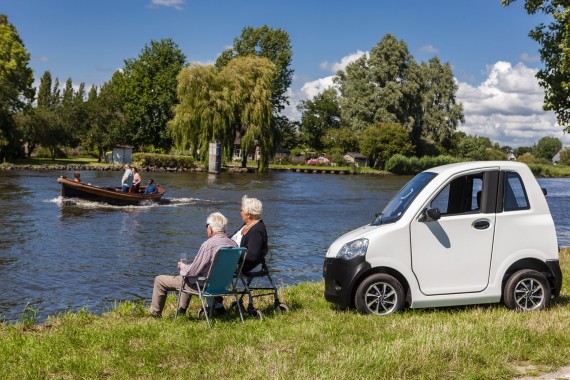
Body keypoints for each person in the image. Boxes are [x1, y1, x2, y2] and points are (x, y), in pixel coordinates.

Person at [149, 212, 237, 318]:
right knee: (187, 275)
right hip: (222, 285)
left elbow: (192, 271)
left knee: (160, 280)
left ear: (210, 228)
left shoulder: (208, 245)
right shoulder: (233, 244)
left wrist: (182, 266)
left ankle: (155, 314)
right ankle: (181, 311)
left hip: (203, 285)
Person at [232, 195, 268, 273]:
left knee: (210, 267)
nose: (240, 212)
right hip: (234, 261)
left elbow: (252, 257)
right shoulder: (246, 224)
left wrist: (233, 252)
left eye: (241, 210)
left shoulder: (256, 230)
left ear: (248, 214)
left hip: (248, 266)